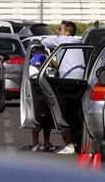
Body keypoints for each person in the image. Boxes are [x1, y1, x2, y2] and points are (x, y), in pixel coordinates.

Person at [41, 20, 84, 154]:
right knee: (76, 112)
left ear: (66, 32)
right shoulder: (77, 42)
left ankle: (69, 144)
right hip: (80, 79)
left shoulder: (63, 41)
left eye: (59, 29)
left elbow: (43, 41)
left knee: (65, 112)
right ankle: (76, 141)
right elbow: (61, 63)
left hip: (68, 81)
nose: (57, 32)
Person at [29, 51, 53, 152]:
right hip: (42, 96)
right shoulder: (38, 69)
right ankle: (45, 142)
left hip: (35, 97)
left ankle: (36, 143)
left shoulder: (31, 68)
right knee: (45, 120)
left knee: (37, 119)